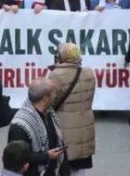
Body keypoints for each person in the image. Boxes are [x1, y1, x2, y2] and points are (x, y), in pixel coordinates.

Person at [47, 43, 96, 176]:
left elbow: (49, 103)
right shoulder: (89, 73)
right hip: (84, 128)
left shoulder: (55, 75)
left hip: (63, 128)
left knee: (62, 167)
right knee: (80, 169)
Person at [8, 79, 66, 176]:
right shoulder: (20, 124)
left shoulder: (49, 114)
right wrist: (46, 156)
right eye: (53, 93)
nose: (55, 96)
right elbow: (18, 157)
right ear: (45, 98)